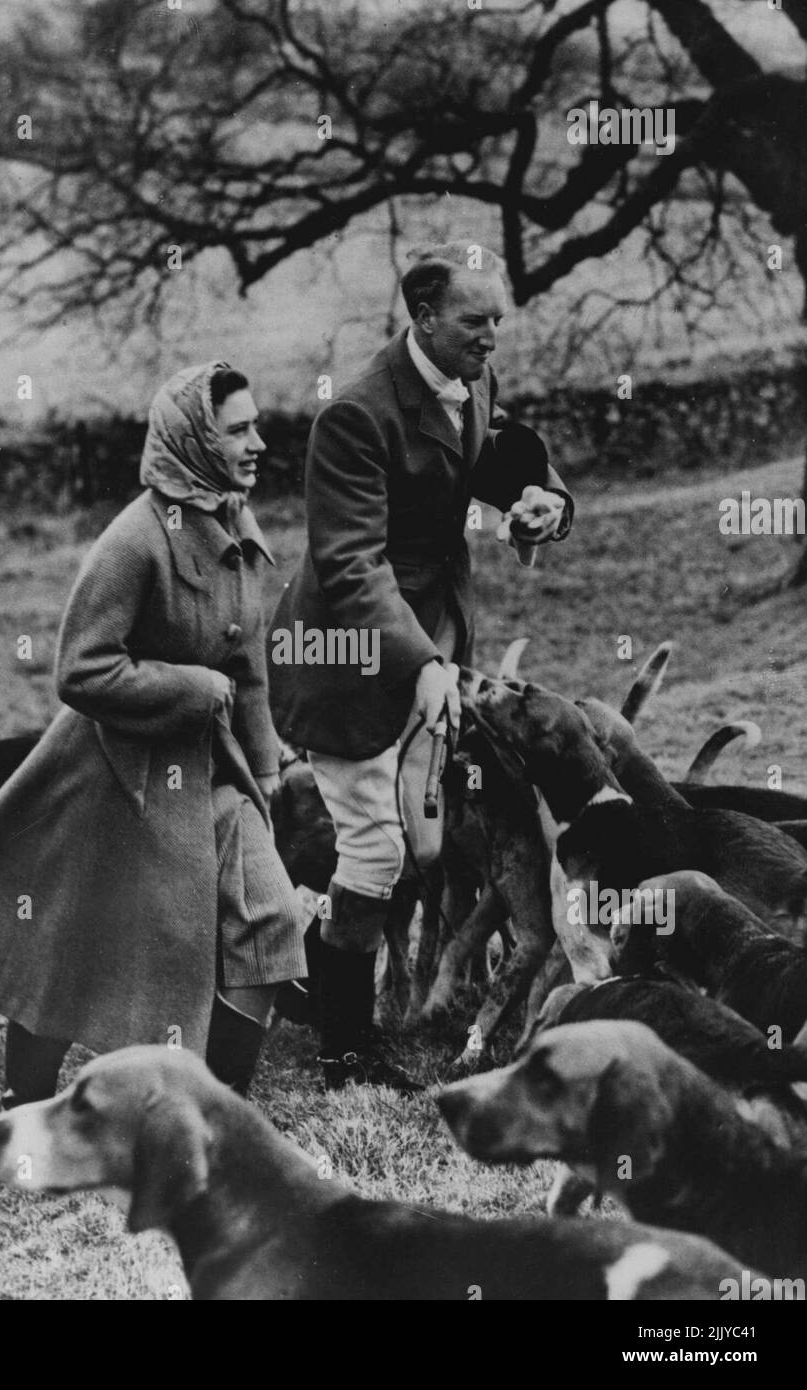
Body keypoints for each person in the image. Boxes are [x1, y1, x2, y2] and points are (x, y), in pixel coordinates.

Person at [0, 362, 306, 1102]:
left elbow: (250, 662)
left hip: (212, 769)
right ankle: (27, 1104)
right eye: (238, 429)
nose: (258, 442)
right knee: (71, 942)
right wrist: (190, 689)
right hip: (114, 774)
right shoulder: (134, 541)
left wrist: (266, 768)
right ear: (194, 439)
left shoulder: (235, 522)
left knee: (269, 917)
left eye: (256, 425)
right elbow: (79, 671)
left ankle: (216, 1106)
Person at [267, 242, 574, 1092]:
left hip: (431, 648)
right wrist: (423, 662)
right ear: (425, 317)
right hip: (352, 661)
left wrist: (541, 501)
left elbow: (497, 452)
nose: (493, 339)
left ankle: (302, 963)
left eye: (499, 322)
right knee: (373, 854)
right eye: (477, 323)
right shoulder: (357, 417)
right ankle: (343, 1052)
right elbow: (349, 564)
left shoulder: (469, 378)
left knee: (414, 848)